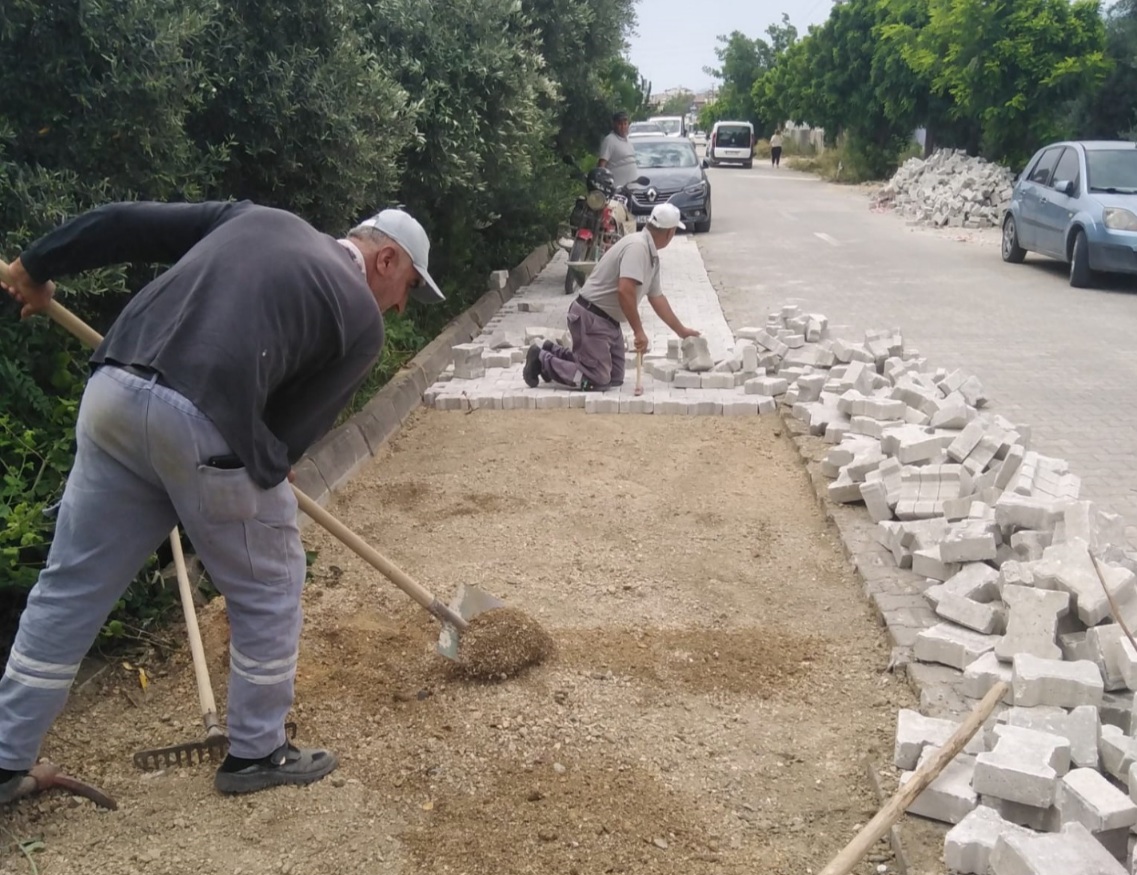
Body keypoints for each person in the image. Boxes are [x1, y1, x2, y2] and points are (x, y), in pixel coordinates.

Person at [0, 199, 444, 799]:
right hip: (203, 420)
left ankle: (5, 755)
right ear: (386, 258)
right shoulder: (363, 319)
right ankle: (258, 752)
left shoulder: (254, 218)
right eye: (407, 288)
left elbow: (124, 222)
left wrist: (34, 265)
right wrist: (267, 465)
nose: (398, 304)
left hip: (115, 391)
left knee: (70, 586)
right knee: (269, 585)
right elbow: (284, 442)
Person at [524, 203, 700, 391]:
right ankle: (542, 361)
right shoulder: (638, 248)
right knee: (598, 379)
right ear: (670, 232)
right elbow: (625, 290)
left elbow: (657, 298)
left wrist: (681, 331)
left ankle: (549, 350)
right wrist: (638, 331)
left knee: (615, 377)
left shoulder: (651, 256)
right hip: (590, 317)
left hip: (607, 322)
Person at [596, 110, 639, 188]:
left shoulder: (628, 141)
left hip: (632, 189)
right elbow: (602, 165)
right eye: (620, 124)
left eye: (625, 124)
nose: (623, 127)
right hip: (617, 190)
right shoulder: (610, 140)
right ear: (614, 125)